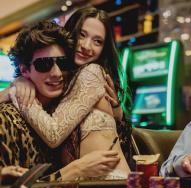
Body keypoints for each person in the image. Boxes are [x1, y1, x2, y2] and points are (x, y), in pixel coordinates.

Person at [8, 7, 132, 178]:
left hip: (111, 183)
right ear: (71, 32)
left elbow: (54, 134)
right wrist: (20, 81)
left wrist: (17, 93)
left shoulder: (91, 72)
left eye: (97, 41)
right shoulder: (63, 82)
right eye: (82, 35)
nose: (87, 46)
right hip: (80, 186)